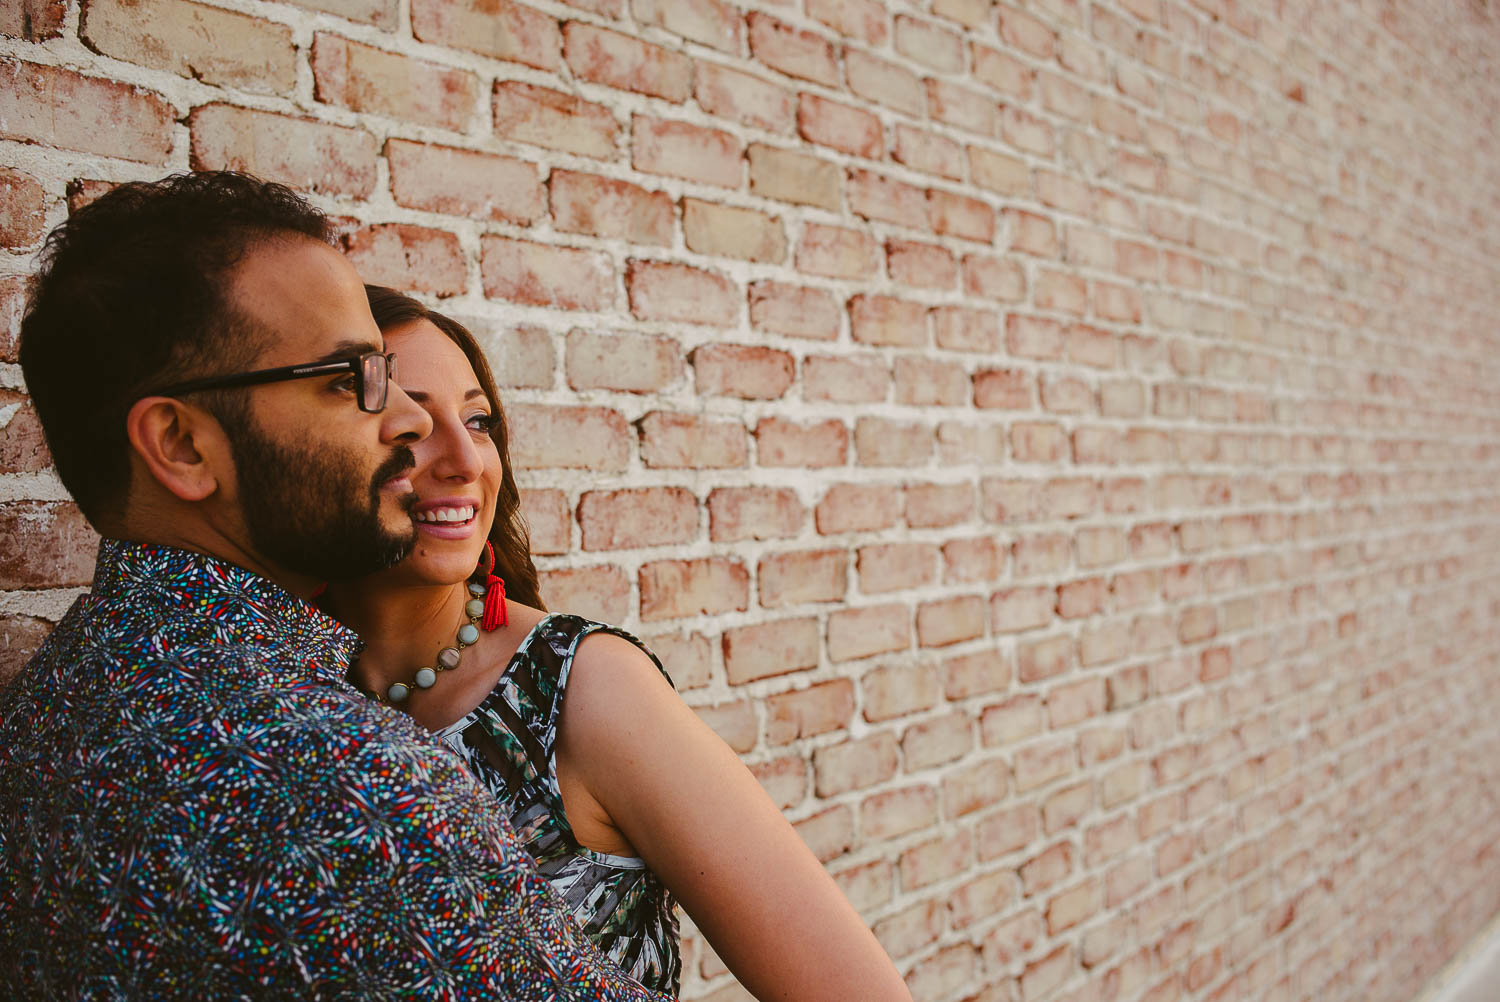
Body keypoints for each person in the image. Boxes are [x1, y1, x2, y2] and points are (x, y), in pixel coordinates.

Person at [0, 172, 669, 999]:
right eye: (348, 379)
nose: (414, 424)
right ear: (180, 445)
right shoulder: (354, 788)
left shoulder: (46, 701)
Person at [318, 287, 915, 1001]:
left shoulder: (581, 687)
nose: (462, 459)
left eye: (477, 420)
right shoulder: (279, 691)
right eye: (408, 421)